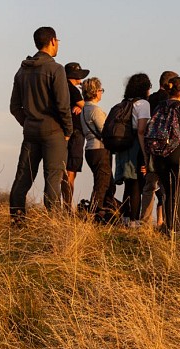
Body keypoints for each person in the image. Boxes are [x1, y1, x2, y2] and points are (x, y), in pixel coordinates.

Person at [9, 26, 73, 222]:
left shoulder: (22, 70)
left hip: (30, 131)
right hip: (53, 130)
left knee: (23, 176)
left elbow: (14, 107)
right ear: (53, 41)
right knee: (53, 177)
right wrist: (68, 130)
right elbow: (63, 105)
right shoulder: (55, 69)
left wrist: (28, 122)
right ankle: (53, 225)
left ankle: (17, 220)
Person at [151, 76, 180, 237]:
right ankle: (175, 231)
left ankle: (168, 228)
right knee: (178, 194)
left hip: (160, 154)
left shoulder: (158, 107)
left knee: (166, 193)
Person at [113, 73, 151, 227]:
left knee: (129, 183)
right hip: (136, 144)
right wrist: (145, 154)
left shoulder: (124, 103)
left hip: (123, 145)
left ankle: (126, 218)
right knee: (137, 184)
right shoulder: (143, 104)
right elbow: (141, 130)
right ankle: (135, 221)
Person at [140, 70, 176, 226]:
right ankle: (166, 222)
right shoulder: (170, 101)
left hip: (151, 147)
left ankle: (145, 220)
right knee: (167, 187)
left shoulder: (150, 99)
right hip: (166, 148)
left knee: (150, 186)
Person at [80, 77, 117, 217]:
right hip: (99, 149)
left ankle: (105, 210)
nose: (101, 93)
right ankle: (96, 212)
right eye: (101, 90)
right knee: (102, 182)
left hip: (89, 148)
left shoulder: (84, 110)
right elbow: (105, 131)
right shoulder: (95, 110)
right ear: (95, 92)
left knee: (104, 181)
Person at [61, 62, 89, 212]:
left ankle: (65, 204)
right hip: (75, 133)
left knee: (65, 169)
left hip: (65, 133)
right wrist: (81, 104)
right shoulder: (72, 89)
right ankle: (67, 206)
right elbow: (88, 106)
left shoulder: (62, 87)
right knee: (71, 170)